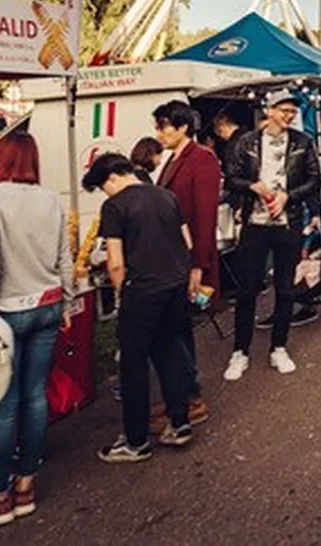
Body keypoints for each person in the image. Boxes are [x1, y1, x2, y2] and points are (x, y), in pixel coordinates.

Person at [0, 133, 75, 525]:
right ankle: (26, 484)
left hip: (6, 311)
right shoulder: (50, 199)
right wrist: (67, 299)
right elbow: (64, 256)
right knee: (34, 396)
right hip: (47, 304)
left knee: (3, 404)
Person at [83, 153, 197, 463]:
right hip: (174, 284)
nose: (105, 193)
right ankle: (180, 422)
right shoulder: (166, 195)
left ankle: (135, 440)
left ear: (111, 178)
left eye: (102, 187)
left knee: (133, 365)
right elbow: (187, 242)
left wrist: (121, 294)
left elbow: (115, 262)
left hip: (141, 291)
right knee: (170, 352)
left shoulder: (115, 206)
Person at [223, 89, 321, 382]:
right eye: (284, 110)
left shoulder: (303, 142)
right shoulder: (247, 141)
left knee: (285, 287)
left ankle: (279, 346)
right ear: (269, 110)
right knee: (247, 287)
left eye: (292, 112)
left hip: (287, 223)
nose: (288, 116)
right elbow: (231, 178)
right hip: (255, 221)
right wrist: (252, 187)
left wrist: (288, 197)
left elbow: (316, 179)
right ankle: (240, 350)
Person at [153, 100, 223, 418]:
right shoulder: (172, 159)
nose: (159, 132)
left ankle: (189, 397)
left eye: (164, 126)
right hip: (171, 258)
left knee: (179, 328)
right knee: (175, 327)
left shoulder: (202, 159)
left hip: (189, 260)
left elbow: (206, 217)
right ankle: (181, 393)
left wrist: (200, 264)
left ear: (182, 127)